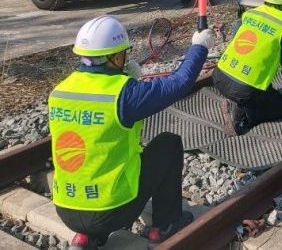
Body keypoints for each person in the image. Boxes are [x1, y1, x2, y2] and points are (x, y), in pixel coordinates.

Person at [48, 15, 215, 250]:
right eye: (123, 55)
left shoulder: (60, 92)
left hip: (65, 209)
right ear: (116, 57)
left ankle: (87, 237)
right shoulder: (124, 95)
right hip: (112, 211)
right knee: (168, 143)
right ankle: (166, 224)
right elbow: (179, 83)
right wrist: (199, 46)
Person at [214, 0, 282, 136]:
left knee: (263, 94)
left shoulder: (250, 13)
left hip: (219, 76)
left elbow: (236, 39)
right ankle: (242, 119)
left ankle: (239, 101)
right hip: (244, 89)